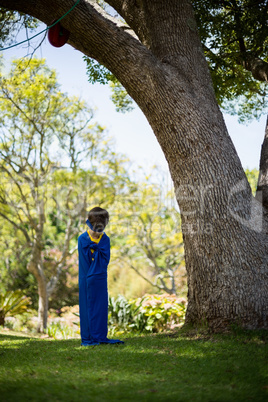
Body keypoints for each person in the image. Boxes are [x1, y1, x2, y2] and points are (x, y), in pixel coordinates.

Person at [78, 206, 124, 346]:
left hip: (100, 278)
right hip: (86, 278)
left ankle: (99, 335)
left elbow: (105, 260)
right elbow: (84, 263)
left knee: (100, 307)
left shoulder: (105, 240)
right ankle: (88, 337)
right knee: (87, 306)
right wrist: (89, 279)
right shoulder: (82, 239)